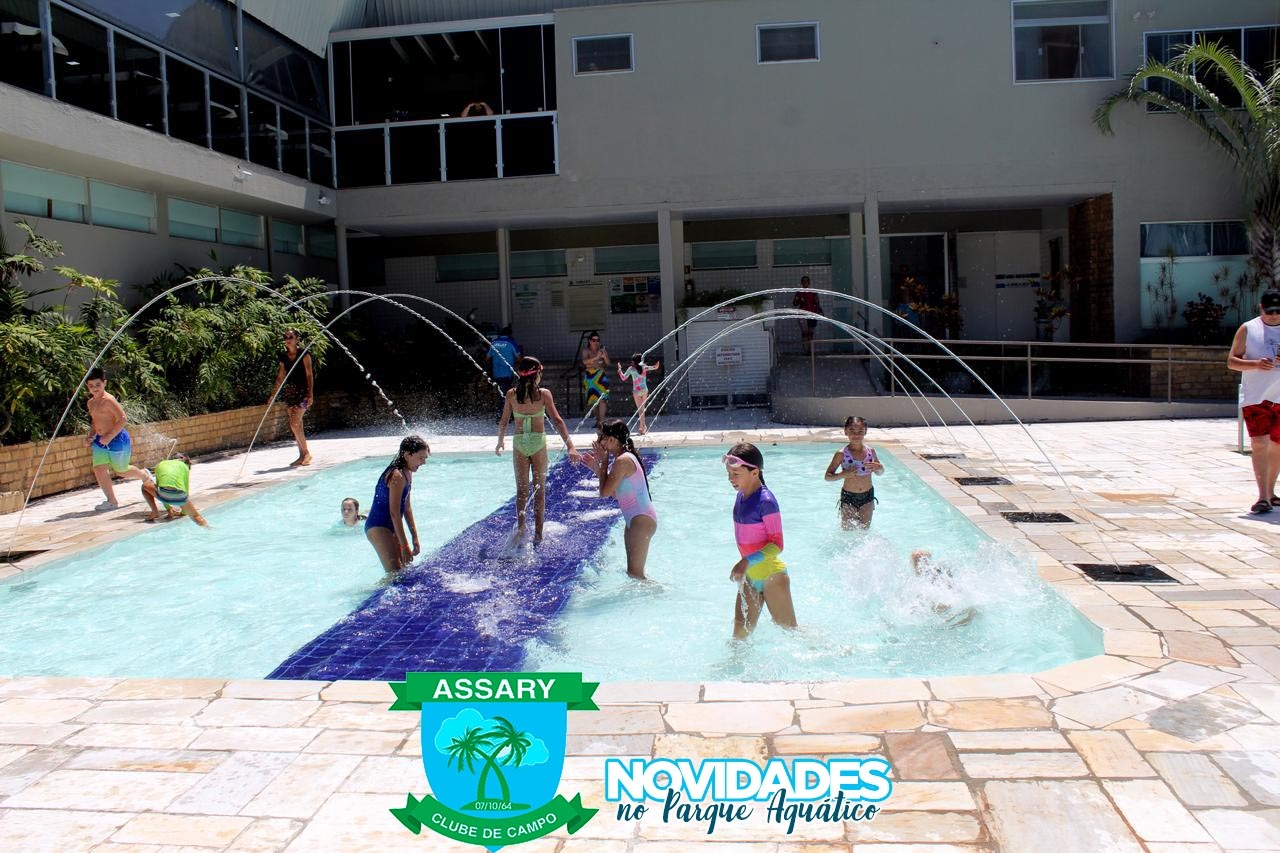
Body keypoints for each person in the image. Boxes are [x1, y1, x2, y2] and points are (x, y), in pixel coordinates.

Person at [496, 356, 581, 544]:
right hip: (538, 443)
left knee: (521, 490)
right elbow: (557, 421)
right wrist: (570, 446)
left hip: (519, 443)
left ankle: (521, 528)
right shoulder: (543, 394)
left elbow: (504, 421)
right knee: (539, 490)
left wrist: (500, 441)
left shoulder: (511, 394)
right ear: (537, 374)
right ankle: (538, 534)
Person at [724, 442, 797, 639]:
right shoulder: (741, 496)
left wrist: (746, 561)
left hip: (772, 576)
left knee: (791, 633)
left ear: (755, 472)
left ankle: (832, 650)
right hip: (750, 576)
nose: (730, 479)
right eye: (728, 473)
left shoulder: (766, 501)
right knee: (739, 636)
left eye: (736, 474)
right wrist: (746, 565)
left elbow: (777, 545)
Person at [1229, 290, 1280, 514]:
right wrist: (1256, 364)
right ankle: (1262, 497)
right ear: (1261, 308)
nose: (1273, 316)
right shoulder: (1248, 328)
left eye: (1278, 311)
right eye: (1269, 311)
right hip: (1256, 396)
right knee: (1259, 443)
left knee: (1277, 444)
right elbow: (1232, 361)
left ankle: (1270, 492)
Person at [589, 419, 657, 579]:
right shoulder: (623, 459)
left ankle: (660, 592)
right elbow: (615, 493)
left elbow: (604, 493)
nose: (598, 442)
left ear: (612, 440)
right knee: (633, 574)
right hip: (636, 520)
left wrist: (604, 463)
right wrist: (599, 470)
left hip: (641, 520)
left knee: (636, 575)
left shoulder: (623, 461)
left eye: (601, 438)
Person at [83, 366, 154, 511]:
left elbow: (122, 419)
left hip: (117, 439)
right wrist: (90, 436)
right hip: (100, 440)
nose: (95, 388)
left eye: (98, 384)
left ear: (104, 383)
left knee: (121, 471)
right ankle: (111, 501)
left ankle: (144, 475)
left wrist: (109, 436)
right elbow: (95, 421)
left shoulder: (109, 400)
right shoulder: (91, 403)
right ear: (87, 386)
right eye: (91, 386)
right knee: (99, 468)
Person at [365, 435, 430, 573]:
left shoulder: (408, 473)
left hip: (391, 526)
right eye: (421, 458)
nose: (424, 462)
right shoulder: (397, 475)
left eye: (425, 458)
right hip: (378, 526)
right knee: (395, 573)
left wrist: (414, 537)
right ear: (407, 455)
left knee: (403, 570)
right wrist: (404, 545)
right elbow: (394, 513)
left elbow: (407, 507)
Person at [824, 416, 885, 529]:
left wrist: (880, 467)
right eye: (852, 431)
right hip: (849, 497)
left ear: (865, 432)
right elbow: (828, 477)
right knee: (847, 530)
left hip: (867, 497)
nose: (856, 435)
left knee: (865, 529)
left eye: (860, 431)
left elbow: (879, 473)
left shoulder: (871, 452)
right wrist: (843, 474)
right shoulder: (841, 454)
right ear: (845, 431)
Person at [267, 329, 314, 466]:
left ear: (297, 339)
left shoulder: (304, 354)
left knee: (294, 423)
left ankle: (306, 453)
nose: (288, 339)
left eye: (291, 337)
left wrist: (310, 394)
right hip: (291, 392)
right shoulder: (284, 357)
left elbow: (309, 375)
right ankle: (302, 455)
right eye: (286, 337)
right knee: (297, 424)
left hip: (303, 393)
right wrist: (273, 394)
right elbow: (280, 377)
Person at [911, 550, 976, 627]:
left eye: (918, 561)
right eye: (916, 562)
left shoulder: (934, 575)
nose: (918, 565)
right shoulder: (920, 580)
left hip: (950, 608)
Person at [141, 453, 207, 526]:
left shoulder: (160, 464)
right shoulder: (184, 466)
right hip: (181, 498)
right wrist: (184, 511)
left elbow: (160, 487)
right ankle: (208, 528)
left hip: (164, 495)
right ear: (182, 458)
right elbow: (186, 489)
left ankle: (155, 511)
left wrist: (169, 510)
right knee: (196, 516)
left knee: (145, 485)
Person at [617, 353, 661, 435]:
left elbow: (623, 378)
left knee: (640, 409)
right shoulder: (644, 367)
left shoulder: (631, 369)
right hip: (644, 390)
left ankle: (642, 427)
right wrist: (656, 364)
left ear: (634, 361)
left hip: (636, 391)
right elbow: (655, 367)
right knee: (642, 409)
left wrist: (619, 370)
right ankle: (643, 426)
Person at [579, 331, 611, 430]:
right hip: (590, 377)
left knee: (603, 399)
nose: (596, 342)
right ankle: (598, 421)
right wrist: (596, 357)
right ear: (589, 341)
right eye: (594, 340)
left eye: (598, 340)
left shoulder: (602, 350)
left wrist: (604, 357)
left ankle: (602, 421)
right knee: (594, 400)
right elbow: (585, 362)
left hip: (601, 376)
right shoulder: (586, 351)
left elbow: (608, 364)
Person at [487, 327, 522, 399]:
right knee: (506, 394)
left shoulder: (493, 343)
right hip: (507, 373)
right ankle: (504, 405)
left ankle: (501, 404)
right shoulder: (511, 342)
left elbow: (487, 358)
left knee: (500, 393)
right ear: (510, 334)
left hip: (496, 373)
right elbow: (519, 358)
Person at [792, 275, 823, 353]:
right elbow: (795, 303)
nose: (805, 283)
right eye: (804, 281)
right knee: (805, 333)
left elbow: (817, 302)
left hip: (812, 314)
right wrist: (799, 299)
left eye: (806, 281)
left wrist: (819, 311)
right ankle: (806, 351)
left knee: (810, 333)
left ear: (809, 283)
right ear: (801, 283)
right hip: (802, 314)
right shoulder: (799, 292)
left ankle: (810, 350)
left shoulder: (812, 292)